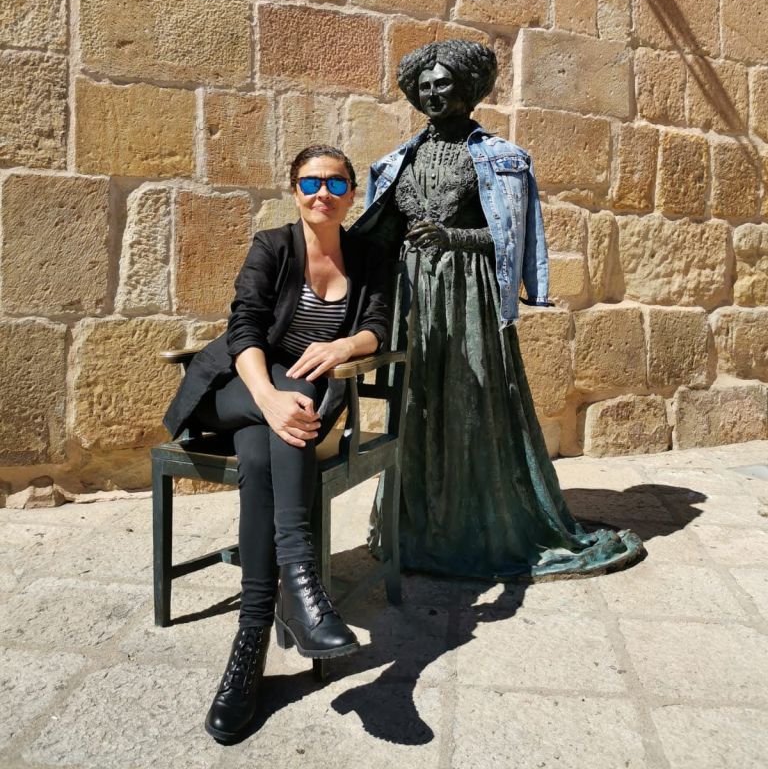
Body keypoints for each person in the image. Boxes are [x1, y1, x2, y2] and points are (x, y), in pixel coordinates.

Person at [353, 39, 644, 580]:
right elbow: (382, 232)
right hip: (416, 294)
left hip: (470, 291)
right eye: (424, 85)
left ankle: (478, 521)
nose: (432, 93)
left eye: (443, 83)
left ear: (466, 88)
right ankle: (417, 524)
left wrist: (455, 237)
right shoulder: (397, 161)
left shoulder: (502, 158)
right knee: (418, 398)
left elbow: (511, 237)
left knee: (475, 395)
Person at [163, 145, 391, 744]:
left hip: (289, 413)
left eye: (336, 184)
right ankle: (301, 580)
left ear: (351, 194)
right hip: (233, 391)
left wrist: (344, 347)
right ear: (295, 191)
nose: (323, 193)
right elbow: (243, 327)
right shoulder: (272, 246)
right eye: (311, 183)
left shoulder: (368, 257)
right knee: (290, 399)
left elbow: (379, 325)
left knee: (266, 447)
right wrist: (266, 397)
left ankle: (250, 642)